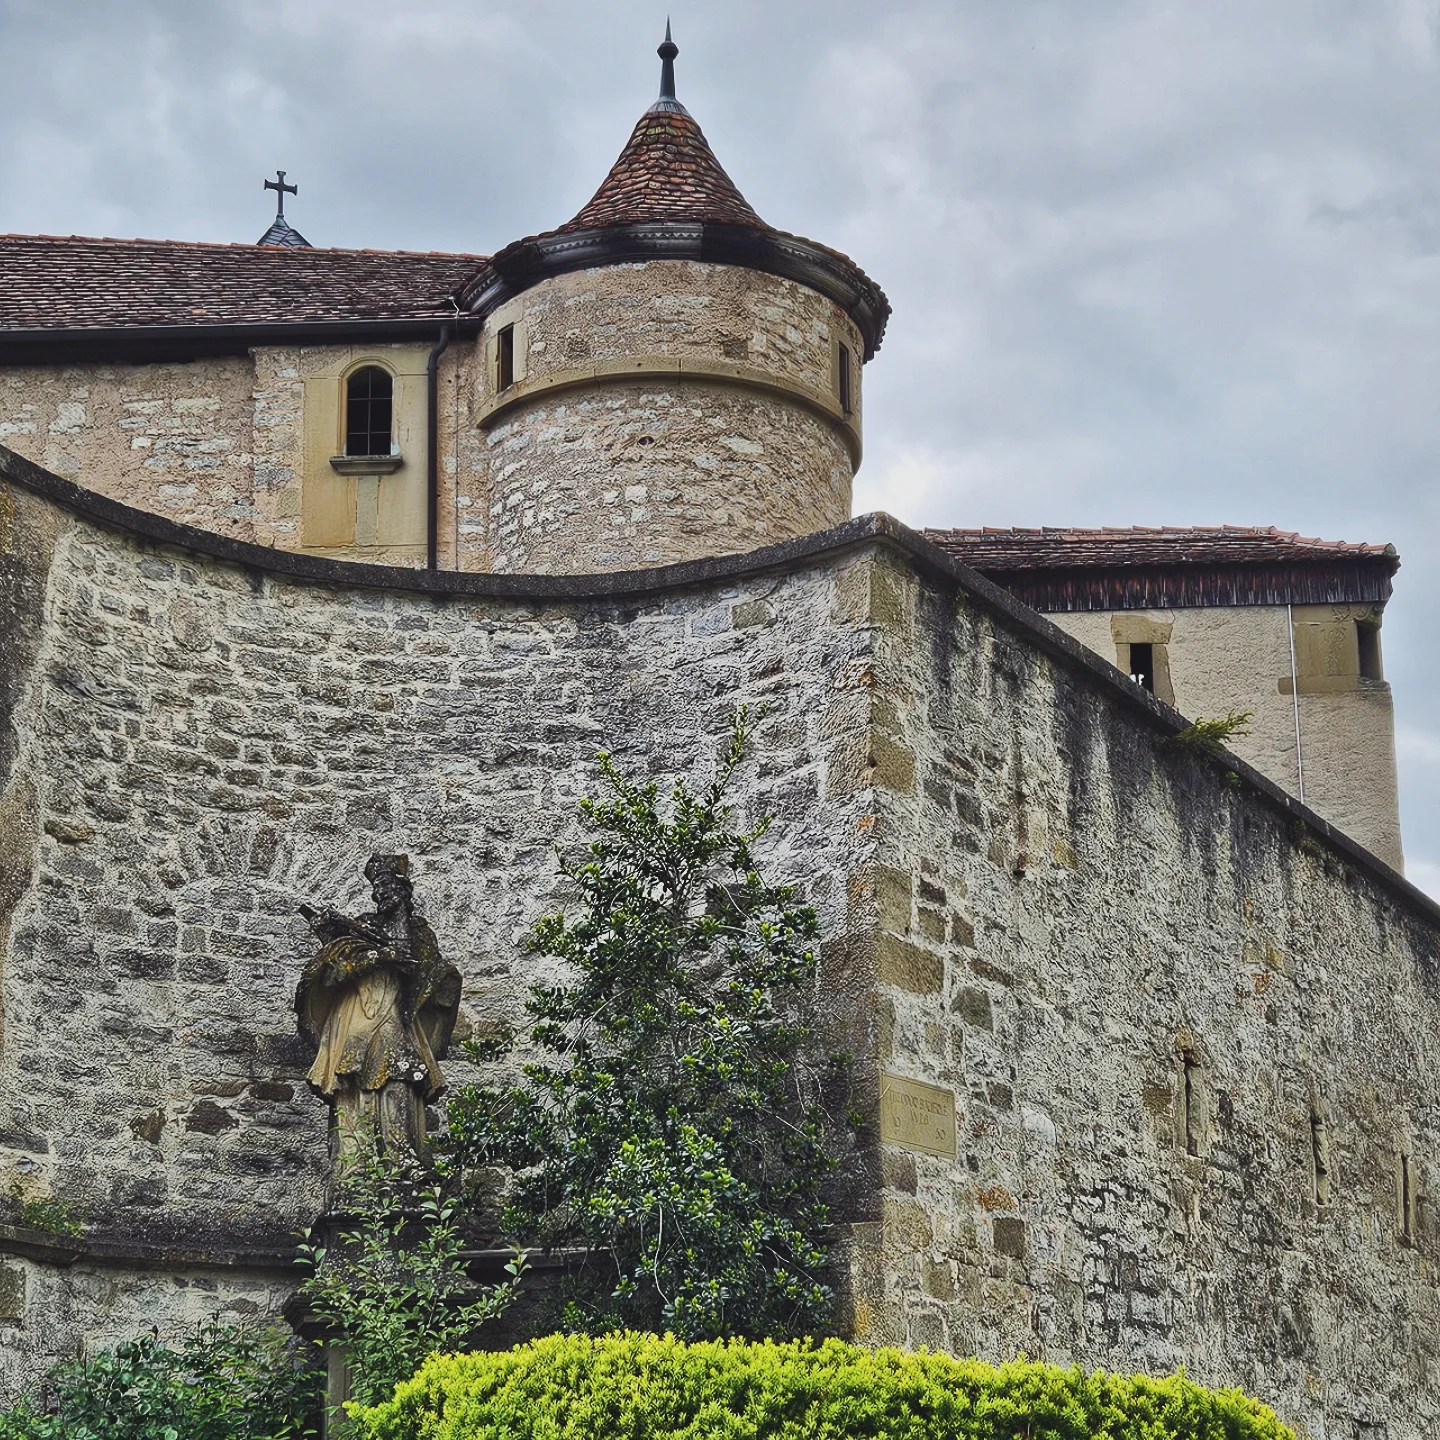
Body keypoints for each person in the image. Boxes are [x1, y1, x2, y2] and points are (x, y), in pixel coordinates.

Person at [295, 854, 461, 1163]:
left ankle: (401, 1158)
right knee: (354, 1078)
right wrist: (379, 957)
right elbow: (333, 971)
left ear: (403, 889)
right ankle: (357, 1161)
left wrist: (434, 978)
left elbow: (433, 976)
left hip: (396, 1012)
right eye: (376, 887)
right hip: (360, 1010)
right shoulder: (363, 928)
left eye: (385, 885)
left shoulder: (419, 934)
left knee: (402, 1076)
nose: (378, 893)